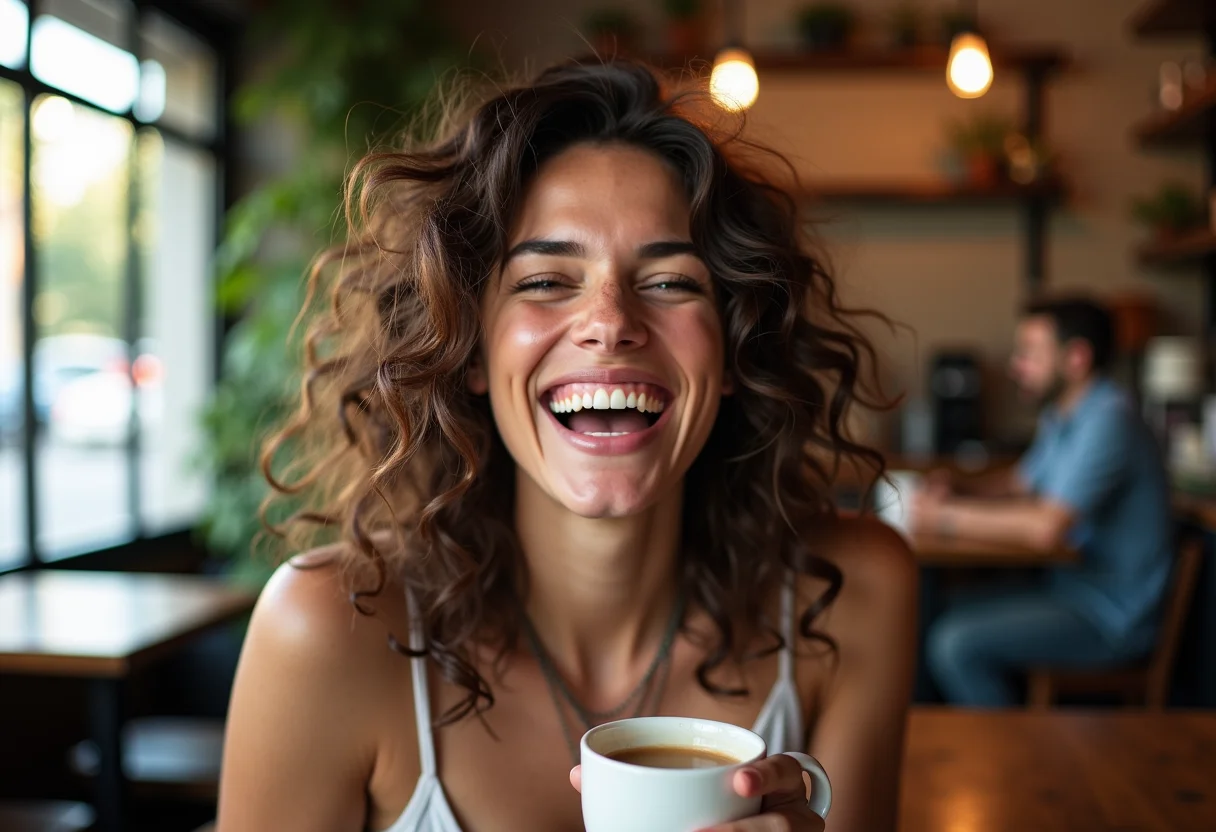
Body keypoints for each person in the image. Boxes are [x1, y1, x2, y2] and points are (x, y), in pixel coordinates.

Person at [217, 58, 916, 832]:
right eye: (547, 280)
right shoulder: (328, 633)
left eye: (672, 282)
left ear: (732, 354)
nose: (611, 320)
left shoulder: (853, 597)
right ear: (471, 352)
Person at [914, 297, 1173, 707]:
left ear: (1077, 357)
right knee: (930, 611)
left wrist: (943, 517)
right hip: (1068, 589)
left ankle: (1012, 758)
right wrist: (960, 489)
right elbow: (1022, 483)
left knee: (953, 643)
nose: (1017, 365)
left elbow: (1048, 526)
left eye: (1030, 353)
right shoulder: (1065, 413)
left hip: (1109, 616)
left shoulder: (1109, 419)